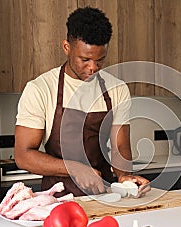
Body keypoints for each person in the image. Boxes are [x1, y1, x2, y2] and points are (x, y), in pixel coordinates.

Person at [14, 7, 151, 197]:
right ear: (66, 47)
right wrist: (75, 169)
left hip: (104, 196)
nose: (93, 68)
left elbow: (119, 146)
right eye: (85, 59)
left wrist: (124, 176)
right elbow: (23, 155)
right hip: (57, 202)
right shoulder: (41, 89)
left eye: (100, 60)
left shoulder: (116, 90)